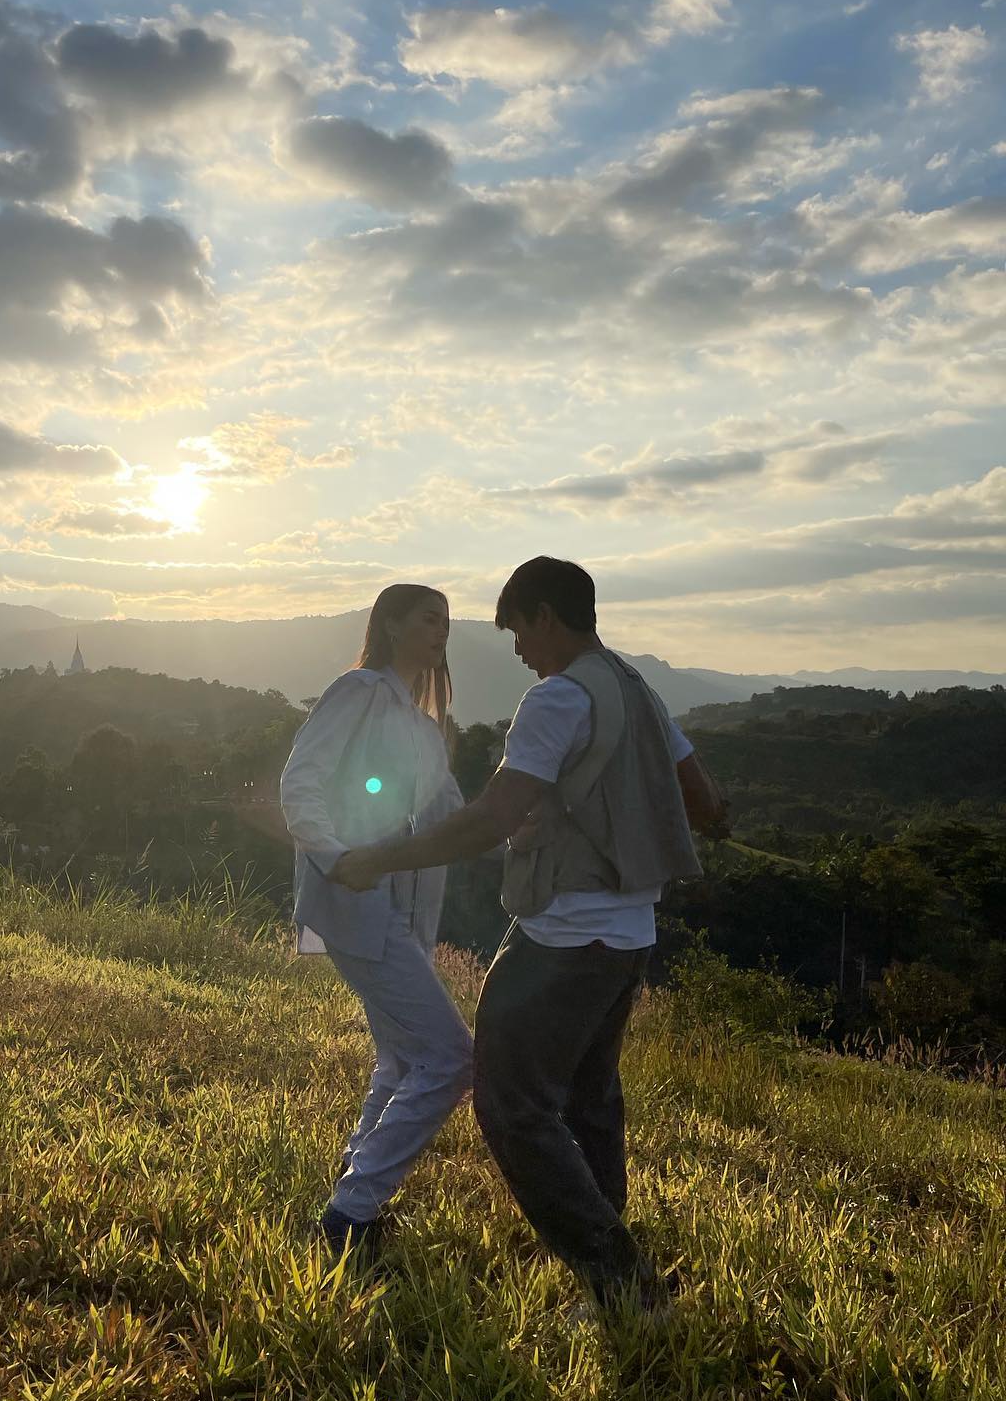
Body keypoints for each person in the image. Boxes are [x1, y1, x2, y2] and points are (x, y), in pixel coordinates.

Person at [335, 556, 728, 1312]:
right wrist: (716, 822)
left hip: (565, 935)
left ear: (545, 616)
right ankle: (616, 1278)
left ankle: (625, 1281)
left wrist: (377, 858)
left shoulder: (557, 698)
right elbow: (699, 788)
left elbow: (492, 816)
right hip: (629, 933)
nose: (516, 649)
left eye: (517, 630)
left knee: (510, 1104)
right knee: (589, 1098)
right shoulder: (635, 688)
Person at [279, 583, 473, 1262]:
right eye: (428, 618)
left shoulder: (423, 728)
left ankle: (352, 1199)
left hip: (403, 918)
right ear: (390, 625)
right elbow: (299, 781)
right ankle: (349, 1216)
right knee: (449, 1058)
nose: (441, 631)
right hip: (357, 907)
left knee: (402, 1057)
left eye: (447, 621)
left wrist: (531, 829)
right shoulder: (359, 691)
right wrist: (337, 860)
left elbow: (455, 817)